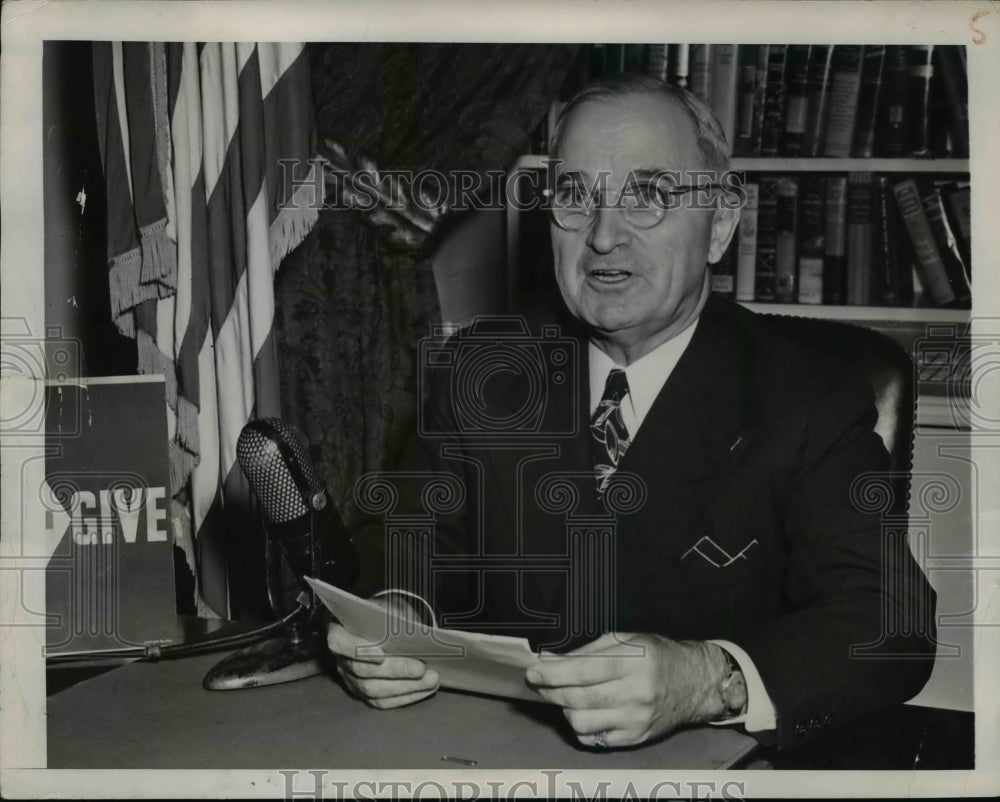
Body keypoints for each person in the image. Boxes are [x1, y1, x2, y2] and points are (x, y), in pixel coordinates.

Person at [327, 74, 937, 751]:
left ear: (721, 225)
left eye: (647, 196)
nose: (604, 237)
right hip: (484, 755)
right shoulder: (486, 367)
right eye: (575, 196)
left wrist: (710, 679)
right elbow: (406, 544)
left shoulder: (806, 392)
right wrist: (393, 617)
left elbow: (888, 620)